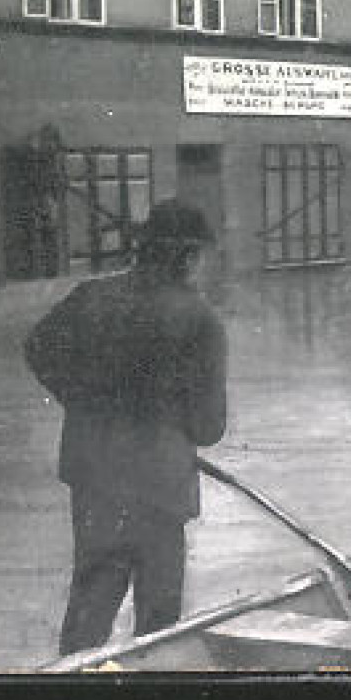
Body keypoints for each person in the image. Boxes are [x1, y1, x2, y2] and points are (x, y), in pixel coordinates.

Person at [24, 198, 227, 655]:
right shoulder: (200, 320)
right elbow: (210, 427)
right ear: (189, 257)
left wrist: (78, 397)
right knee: (158, 628)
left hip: (94, 480)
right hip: (160, 488)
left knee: (88, 611)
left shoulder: (88, 297)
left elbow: (36, 347)